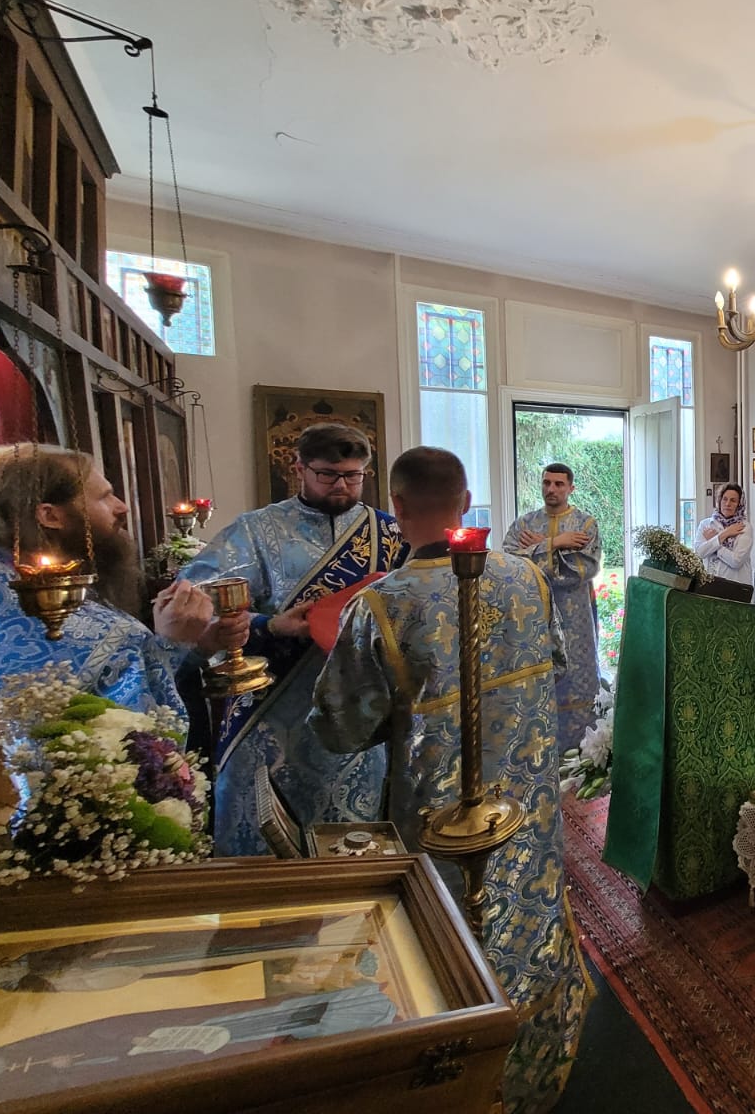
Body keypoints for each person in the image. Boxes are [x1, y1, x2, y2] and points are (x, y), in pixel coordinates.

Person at [310, 448, 588, 1112]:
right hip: (529, 803)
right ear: (467, 504)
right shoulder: (526, 578)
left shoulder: (382, 604)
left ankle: (457, 1058)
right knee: (527, 909)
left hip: (441, 821)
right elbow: (553, 659)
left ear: (396, 509)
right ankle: (538, 1035)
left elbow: (341, 727)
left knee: (449, 933)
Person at [181, 422, 406, 856]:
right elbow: (196, 601)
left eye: (354, 475)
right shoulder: (255, 531)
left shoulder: (390, 534)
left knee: (354, 841)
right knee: (262, 835)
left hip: (356, 710)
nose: (342, 485)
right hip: (270, 707)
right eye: (328, 475)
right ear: (298, 468)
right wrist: (269, 625)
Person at [0, 444, 244, 717]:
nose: (122, 507)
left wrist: (196, 645)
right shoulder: (18, 602)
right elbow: (129, 727)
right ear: (50, 515)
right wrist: (171, 644)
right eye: (105, 497)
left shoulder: (20, 576)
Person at [502, 463, 601, 753]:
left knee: (576, 673)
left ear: (571, 488)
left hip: (574, 614)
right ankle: (537, 746)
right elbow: (509, 562)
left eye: (559, 484)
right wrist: (555, 543)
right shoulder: (524, 524)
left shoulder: (585, 525)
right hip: (535, 614)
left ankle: (581, 749)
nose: (551, 489)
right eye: (547, 483)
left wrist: (536, 549)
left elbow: (580, 569)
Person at [695, 483, 752, 583]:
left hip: (735, 585)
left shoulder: (744, 527)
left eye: (733, 500)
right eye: (724, 499)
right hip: (710, 584)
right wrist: (725, 534)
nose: (727, 504)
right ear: (719, 501)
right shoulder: (706, 524)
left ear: (739, 504)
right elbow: (700, 553)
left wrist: (714, 542)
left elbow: (736, 561)